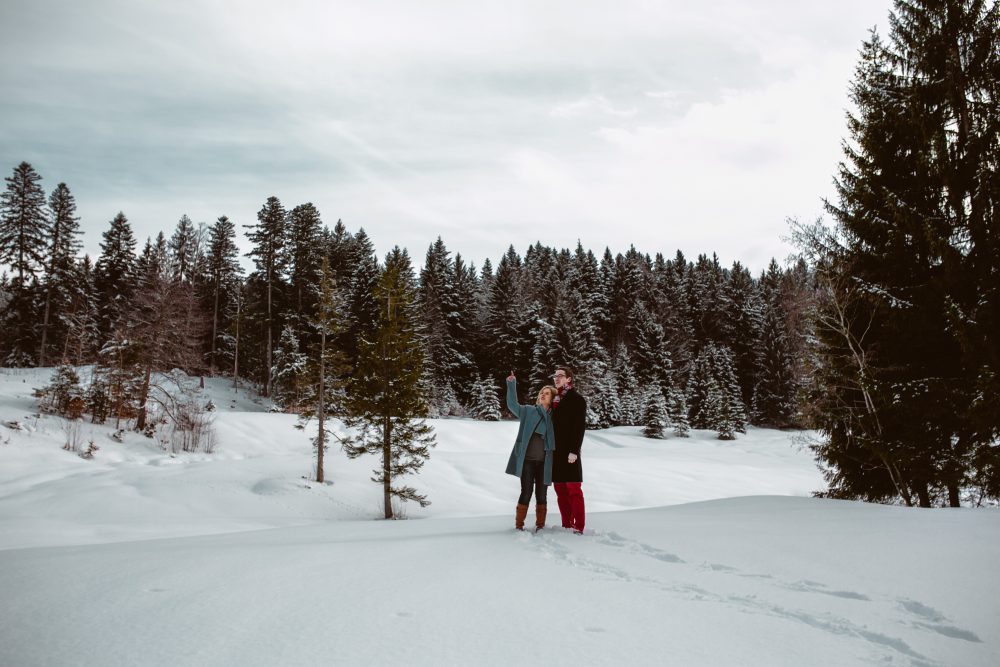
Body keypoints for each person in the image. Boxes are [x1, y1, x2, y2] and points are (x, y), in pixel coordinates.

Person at [505, 371, 557, 531]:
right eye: (542, 392)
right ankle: (518, 525)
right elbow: (512, 405)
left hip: (545, 462)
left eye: (547, 393)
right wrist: (511, 384)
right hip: (527, 460)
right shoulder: (528, 410)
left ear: (552, 397)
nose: (542, 394)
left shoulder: (555, 416)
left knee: (542, 495)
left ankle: (540, 526)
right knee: (526, 492)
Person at [550, 366, 587, 534]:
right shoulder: (553, 399)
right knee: (560, 490)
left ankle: (578, 527)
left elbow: (579, 427)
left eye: (560, 376)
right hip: (555, 452)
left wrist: (574, 450)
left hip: (570, 452)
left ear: (569, 379)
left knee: (574, 490)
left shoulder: (576, 399)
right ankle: (566, 524)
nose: (556, 378)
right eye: (555, 376)